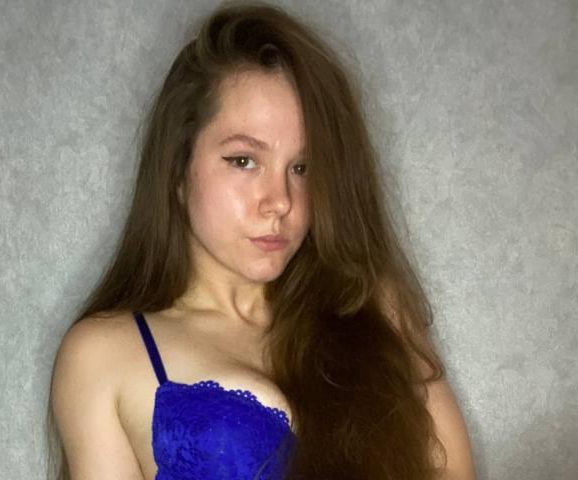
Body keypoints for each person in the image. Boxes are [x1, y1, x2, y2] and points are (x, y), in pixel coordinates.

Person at [46, 1, 476, 479]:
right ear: (177, 170)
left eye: (302, 167)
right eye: (244, 161)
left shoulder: (376, 311)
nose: (280, 201)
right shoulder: (104, 354)